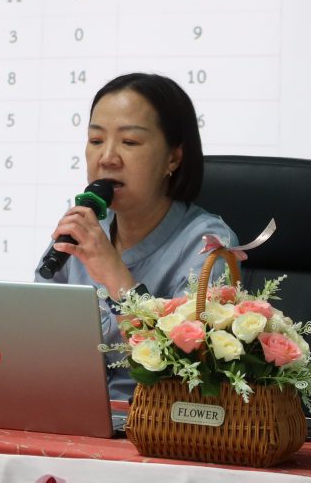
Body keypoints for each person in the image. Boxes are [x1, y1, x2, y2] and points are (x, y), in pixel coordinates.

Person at [36, 72, 235, 400]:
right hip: (71, 410)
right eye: (96, 140)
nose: (107, 158)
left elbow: (189, 372)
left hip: (157, 419)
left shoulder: (207, 244)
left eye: (129, 142)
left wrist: (113, 273)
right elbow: (34, 338)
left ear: (173, 157)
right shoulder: (84, 227)